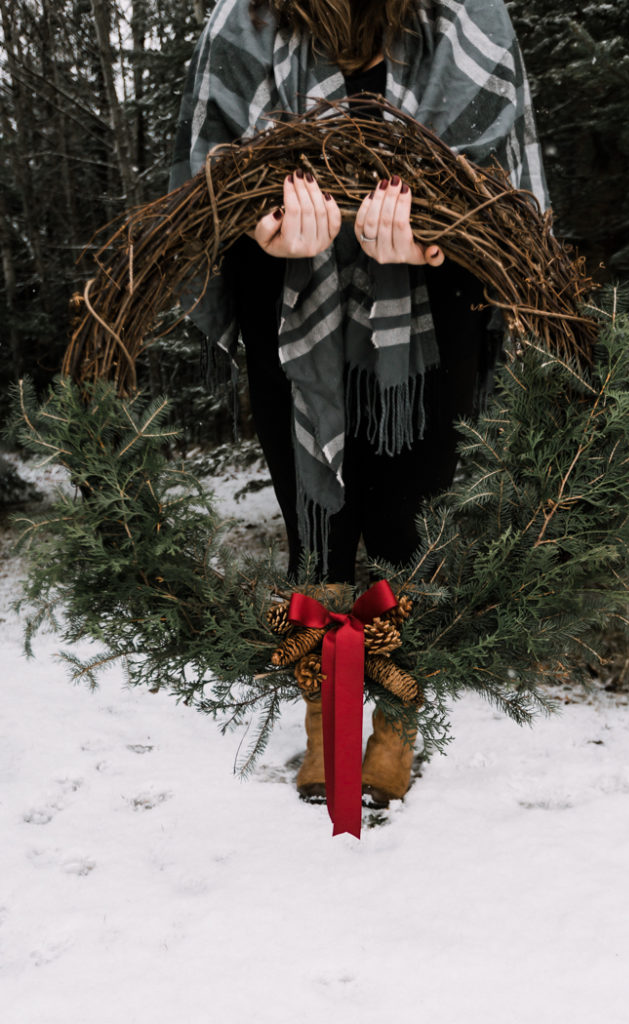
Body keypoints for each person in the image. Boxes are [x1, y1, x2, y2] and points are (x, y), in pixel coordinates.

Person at [172, 0, 547, 807]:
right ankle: (328, 726)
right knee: (316, 524)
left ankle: (398, 725)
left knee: (411, 529)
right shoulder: (243, 21)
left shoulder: (470, 20)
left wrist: (442, 238)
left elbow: (510, 202)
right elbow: (203, 191)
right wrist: (262, 232)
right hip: (289, 305)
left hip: (433, 312)